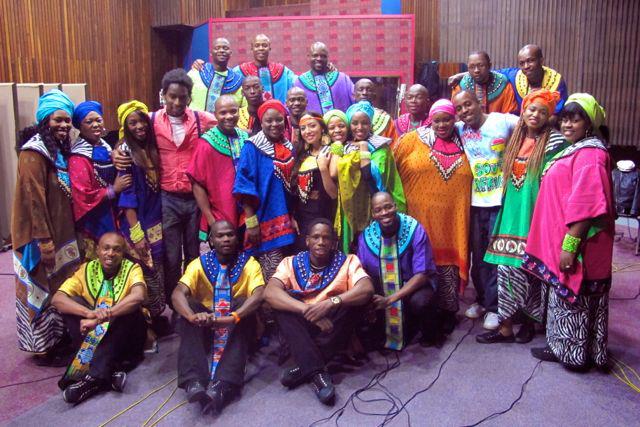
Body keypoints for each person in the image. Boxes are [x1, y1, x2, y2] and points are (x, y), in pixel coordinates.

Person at [523, 94, 614, 370]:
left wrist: (570, 247)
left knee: (575, 297)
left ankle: (573, 355)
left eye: (575, 120)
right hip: (563, 236)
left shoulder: (590, 155)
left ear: (589, 124)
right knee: (564, 297)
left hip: (579, 242)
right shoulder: (576, 150)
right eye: (564, 119)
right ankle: (567, 348)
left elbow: (587, 207)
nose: (567, 125)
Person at [477, 89, 569, 344]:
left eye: (543, 112)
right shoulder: (514, 139)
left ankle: (529, 322)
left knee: (532, 271)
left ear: (549, 116)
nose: (536, 115)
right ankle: (505, 326)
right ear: (523, 110)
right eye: (532, 109)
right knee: (505, 270)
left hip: (535, 215)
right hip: (510, 215)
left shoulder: (555, 143)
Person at [264, 219, 374, 405]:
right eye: (315, 237)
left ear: (333, 242)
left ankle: (304, 367)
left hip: (332, 325)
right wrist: (306, 310)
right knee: (280, 305)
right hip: (302, 324)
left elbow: (367, 288)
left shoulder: (348, 261)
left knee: (354, 302)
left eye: (326, 238)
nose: (321, 242)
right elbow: (270, 292)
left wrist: (332, 302)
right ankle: (318, 374)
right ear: (307, 241)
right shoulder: (289, 263)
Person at [12, 89, 82, 362]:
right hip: (39, 237)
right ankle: (44, 348)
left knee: (60, 285)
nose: (64, 125)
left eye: (67, 120)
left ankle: (60, 339)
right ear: (45, 120)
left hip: (61, 233)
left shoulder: (60, 151)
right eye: (58, 120)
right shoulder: (33, 153)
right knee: (41, 286)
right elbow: (34, 200)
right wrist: (45, 241)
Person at [392, 99, 473, 333]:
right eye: (437, 120)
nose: (442, 125)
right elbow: (391, 172)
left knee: (449, 265)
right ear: (430, 119)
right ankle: (417, 315)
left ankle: (448, 312)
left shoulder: (466, 142)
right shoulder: (411, 140)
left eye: (447, 119)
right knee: (418, 260)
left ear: (454, 119)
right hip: (419, 219)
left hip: (452, 222)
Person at [172, 220, 265, 414]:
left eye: (230, 234)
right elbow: (177, 293)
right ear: (211, 241)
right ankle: (194, 381)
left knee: (244, 304)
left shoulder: (250, 264)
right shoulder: (198, 264)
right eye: (220, 236)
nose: (226, 239)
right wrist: (192, 317)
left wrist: (232, 318)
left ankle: (224, 384)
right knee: (189, 305)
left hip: (235, 328)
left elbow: (259, 295)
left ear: (237, 238)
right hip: (207, 326)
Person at [52, 232, 147, 404]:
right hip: (95, 337)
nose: (110, 253)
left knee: (129, 308)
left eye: (117, 250)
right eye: (106, 248)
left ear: (123, 253)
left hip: (125, 338)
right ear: (97, 250)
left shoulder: (132, 268)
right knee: (73, 303)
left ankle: (92, 378)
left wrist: (102, 317)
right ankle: (109, 372)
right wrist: (88, 313)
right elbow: (57, 299)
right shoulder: (86, 270)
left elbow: (139, 296)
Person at [452, 90, 519, 330]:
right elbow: (435, 123)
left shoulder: (502, 121)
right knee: (477, 257)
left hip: (499, 202)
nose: (464, 111)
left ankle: (495, 308)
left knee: (494, 258)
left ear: (479, 103)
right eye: (459, 108)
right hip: (474, 203)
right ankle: (481, 300)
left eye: (468, 104)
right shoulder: (459, 128)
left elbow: (533, 122)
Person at [357, 192, 440, 349]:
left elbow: (422, 274)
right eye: (378, 210)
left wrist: (390, 299)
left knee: (421, 302)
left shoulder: (414, 229)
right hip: (382, 287)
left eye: (388, 207)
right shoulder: (366, 237)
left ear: (395, 206)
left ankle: (430, 333)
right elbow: (362, 273)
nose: (384, 213)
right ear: (373, 214)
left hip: (413, 286)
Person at [115, 100, 166, 327]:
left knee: (157, 270)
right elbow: (128, 198)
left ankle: (156, 317)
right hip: (138, 224)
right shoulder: (126, 154)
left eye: (142, 121)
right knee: (144, 271)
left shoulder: (151, 147)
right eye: (132, 123)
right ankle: (144, 324)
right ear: (125, 127)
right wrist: (136, 233)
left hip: (156, 221)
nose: (139, 127)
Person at [233, 99, 297, 280]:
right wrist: (251, 223)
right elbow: (244, 186)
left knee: (286, 275)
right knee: (269, 276)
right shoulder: (252, 147)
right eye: (269, 121)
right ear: (261, 123)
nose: (274, 124)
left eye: (279, 120)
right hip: (262, 222)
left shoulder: (290, 148)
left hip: (287, 223)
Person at [332, 100, 406, 253]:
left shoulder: (381, 148)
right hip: (350, 207)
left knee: (374, 250)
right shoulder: (344, 146)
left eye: (364, 123)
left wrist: (363, 151)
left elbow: (374, 177)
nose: (360, 127)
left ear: (371, 124)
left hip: (375, 207)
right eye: (355, 123)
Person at [69, 101, 131, 259]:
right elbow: (83, 195)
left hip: (113, 210)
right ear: (80, 126)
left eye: (98, 120)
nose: (95, 125)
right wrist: (113, 190)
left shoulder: (107, 147)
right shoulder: (78, 156)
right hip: (95, 217)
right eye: (89, 122)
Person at [188, 95, 249, 242]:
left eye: (233, 111)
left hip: (247, 212)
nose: (229, 116)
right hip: (220, 215)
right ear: (215, 114)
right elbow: (197, 184)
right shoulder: (206, 144)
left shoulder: (245, 137)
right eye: (223, 113)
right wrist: (210, 219)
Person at [449, 45, 568, 115]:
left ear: (541, 61)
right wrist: (462, 75)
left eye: (530, 61)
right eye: (522, 63)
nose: (526, 66)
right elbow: (486, 71)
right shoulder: (516, 75)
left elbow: (556, 115)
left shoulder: (555, 81)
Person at [290, 112, 337, 251]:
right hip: (302, 216)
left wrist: (323, 168)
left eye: (312, 126)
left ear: (322, 128)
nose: (307, 131)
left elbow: (334, 194)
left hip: (324, 214)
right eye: (303, 128)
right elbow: (295, 191)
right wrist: (293, 216)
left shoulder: (331, 153)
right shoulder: (301, 155)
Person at [233, 34, 296, 104]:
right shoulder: (239, 71)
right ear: (252, 48)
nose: (261, 48)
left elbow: (298, 83)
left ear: (269, 48)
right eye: (257, 46)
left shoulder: (283, 71)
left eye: (264, 45)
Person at [294, 42, 354, 114]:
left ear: (327, 58)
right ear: (308, 57)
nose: (319, 59)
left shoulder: (342, 79)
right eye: (315, 55)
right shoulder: (299, 82)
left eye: (323, 56)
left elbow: (356, 98)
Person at [451, 51, 518, 115]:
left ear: (489, 65)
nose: (476, 70)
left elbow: (510, 115)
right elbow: (455, 114)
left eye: (481, 65)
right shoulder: (460, 86)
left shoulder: (503, 84)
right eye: (472, 67)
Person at [189, 37, 244, 113]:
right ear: (210, 52)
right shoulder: (196, 72)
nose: (221, 50)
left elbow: (243, 109)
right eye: (217, 48)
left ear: (230, 53)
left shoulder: (238, 80)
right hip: (196, 119)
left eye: (225, 48)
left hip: (227, 120)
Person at [353, 79, 399, 144]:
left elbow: (394, 145)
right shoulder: (347, 118)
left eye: (369, 90)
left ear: (374, 95)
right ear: (353, 95)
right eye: (360, 90)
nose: (364, 93)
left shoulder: (385, 118)